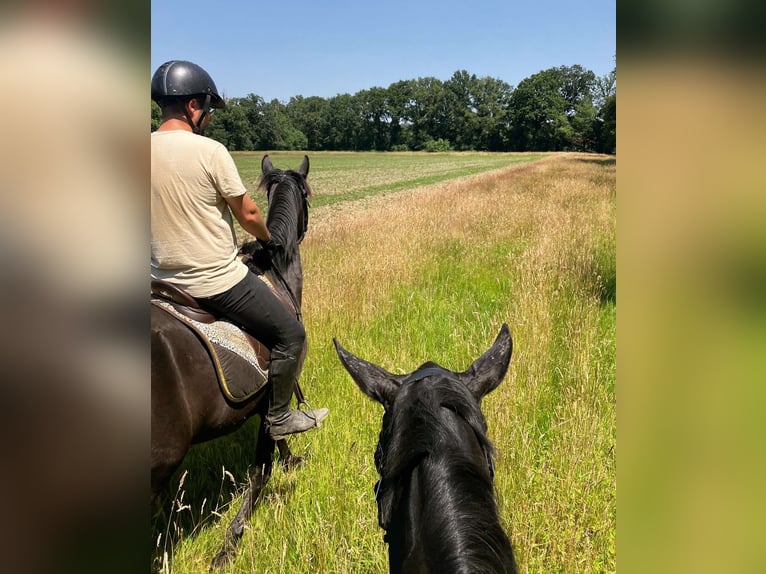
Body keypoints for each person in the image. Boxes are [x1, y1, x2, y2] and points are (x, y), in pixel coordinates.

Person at [151, 60, 328, 439]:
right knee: (291, 335)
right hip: (214, 281)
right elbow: (247, 212)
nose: (210, 118)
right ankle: (280, 417)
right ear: (193, 107)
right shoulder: (211, 152)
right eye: (209, 110)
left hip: (156, 281)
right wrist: (267, 238)